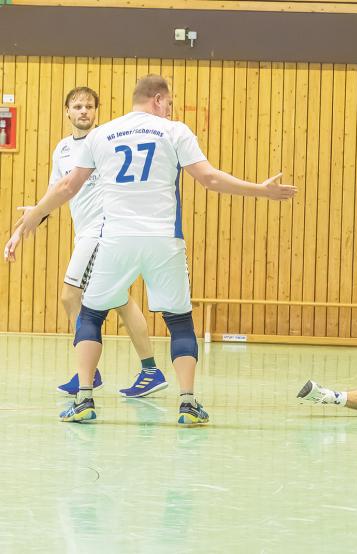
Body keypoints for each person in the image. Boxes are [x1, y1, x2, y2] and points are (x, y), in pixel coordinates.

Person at [4, 74, 297, 425]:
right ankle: (187, 404)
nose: (170, 110)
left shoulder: (102, 133)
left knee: (91, 314)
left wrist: (32, 218)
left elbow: (68, 186)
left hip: (115, 239)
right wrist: (259, 191)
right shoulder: (174, 131)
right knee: (180, 322)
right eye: (169, 104)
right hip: (163, 240)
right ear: (158, 100)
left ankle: (84, 400)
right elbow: (210, 179)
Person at [38, 86, 167, 398]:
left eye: (89, 106)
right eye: (77, 106)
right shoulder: (62, 150)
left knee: (70, 295)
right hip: (85, 233)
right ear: (67, 111)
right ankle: (151, 370)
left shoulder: (104, 142)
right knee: (120, 299)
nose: (83, 111)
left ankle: (89, 371)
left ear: (96, 112)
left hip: (104, 231)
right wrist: (37, 212)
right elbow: (59, 188)